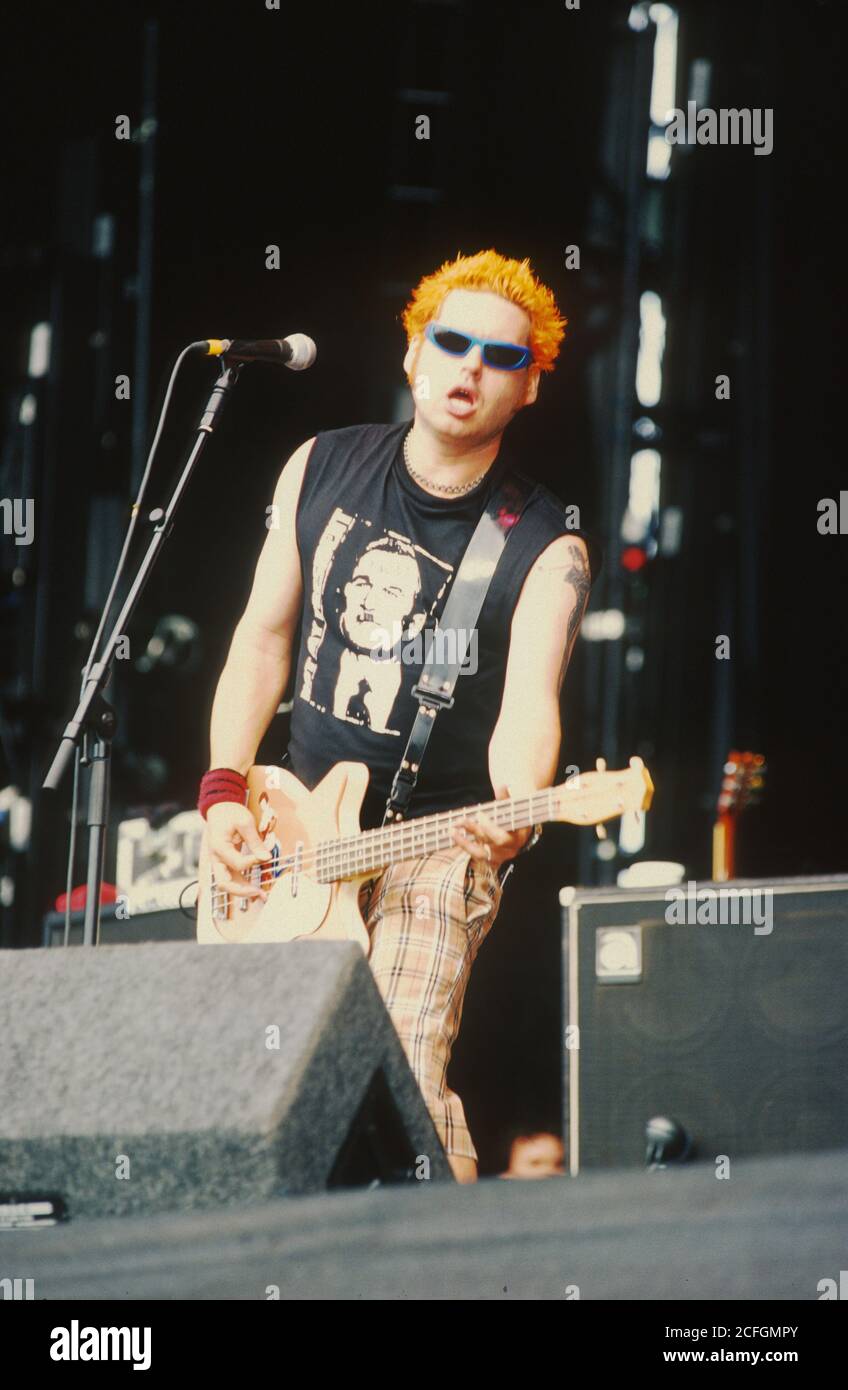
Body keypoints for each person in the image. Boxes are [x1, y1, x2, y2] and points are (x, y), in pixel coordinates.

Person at [199, 249, 598, 1183]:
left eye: (500, 357)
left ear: (530, 385)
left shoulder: (545, 546)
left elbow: (528, 715)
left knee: (402, 1072)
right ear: (413, 353)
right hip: (290, 835)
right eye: (450, 343)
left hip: (435, 846)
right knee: (264, 1091)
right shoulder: (323, 465)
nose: (468, 369)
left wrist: (517, 811)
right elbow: (262, 640)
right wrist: (223, 791)